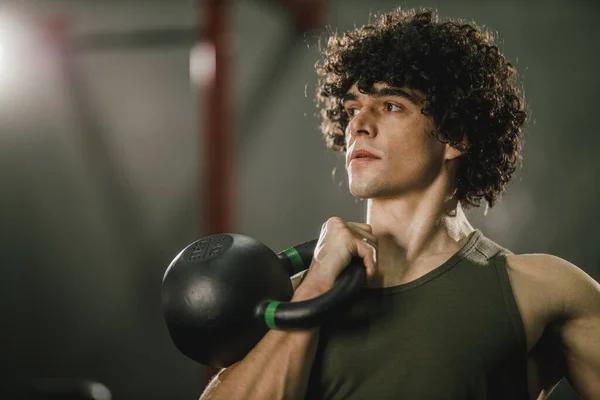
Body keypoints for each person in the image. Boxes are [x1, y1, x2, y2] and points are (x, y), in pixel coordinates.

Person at [200, 8, 600, 400]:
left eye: (390, 106)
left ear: (455, 135)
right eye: (353, 109)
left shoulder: (543, 292)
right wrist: (318, 283)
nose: (358, 123)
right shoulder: (292, 297)